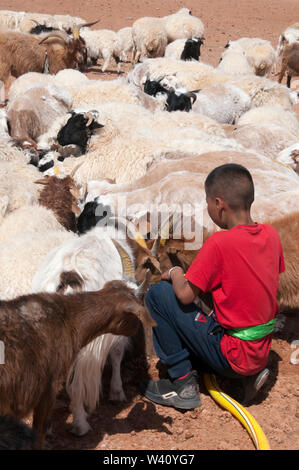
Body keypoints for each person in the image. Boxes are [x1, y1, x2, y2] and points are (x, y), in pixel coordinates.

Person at [141, 163, 285, 409]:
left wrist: (175, 273)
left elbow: (186, 296)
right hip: (260, 354)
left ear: (219, 205)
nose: (207, 208)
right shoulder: (271, 235)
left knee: (158, 294)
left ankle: (183, 383)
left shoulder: (219, 243)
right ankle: (248, 378)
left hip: (231, 356)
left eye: (207, 202)